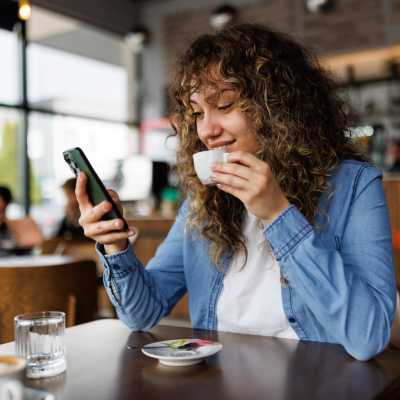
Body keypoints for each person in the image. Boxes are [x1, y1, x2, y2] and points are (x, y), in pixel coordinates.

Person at [76, 24, 396, 361]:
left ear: (278, 107)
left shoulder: (354, 185)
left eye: (225, 105)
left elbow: (369, 337)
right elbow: (141, 313)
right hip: (217, 381)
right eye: (198, 113)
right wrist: (115, 246)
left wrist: (277, 214)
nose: (207, 131)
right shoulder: (204, 202)